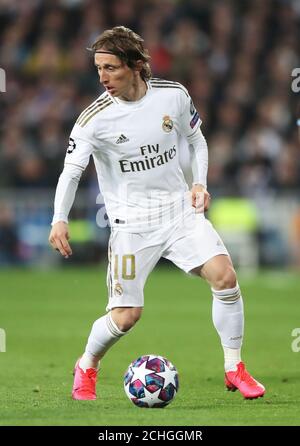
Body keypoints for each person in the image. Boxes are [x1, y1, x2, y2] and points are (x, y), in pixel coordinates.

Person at [49, 26, 265, 400]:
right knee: (126, 316)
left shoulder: (173, 96)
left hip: (179, 213)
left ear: (135, 65)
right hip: (131, 225)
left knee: (225, 277)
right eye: (98, 68)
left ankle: (234, 368)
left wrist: (199, 183)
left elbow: (196, 140)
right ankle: (86, 365)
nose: (102, 77)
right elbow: (71, 172)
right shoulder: (93, 120)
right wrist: (59, 218)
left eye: (111, 68)